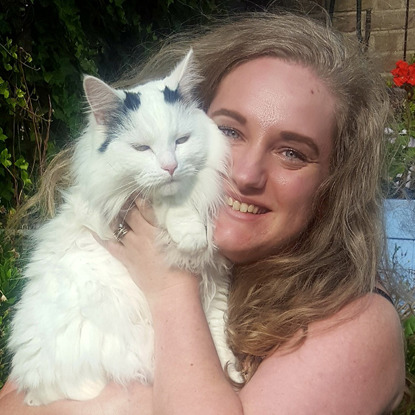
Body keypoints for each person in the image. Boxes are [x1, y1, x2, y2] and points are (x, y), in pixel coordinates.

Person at [0, 11, 406, 414]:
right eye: (230, 131)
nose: (246, 175)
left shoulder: (358, 325)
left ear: (335, 180)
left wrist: (172, 286)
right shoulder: (93, 249)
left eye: (291, 153)